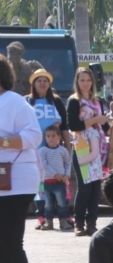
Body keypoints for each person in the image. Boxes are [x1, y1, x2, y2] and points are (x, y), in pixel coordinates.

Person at [0, 55, 42, 263]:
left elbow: (34, 136)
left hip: (17, 182)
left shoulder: (15, 102)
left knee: (10, 245)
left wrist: (3, 139)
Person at [25, 68, 71, 230]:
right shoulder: (27, 102)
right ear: (34, 84)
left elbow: (64, 127)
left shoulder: (57, 101)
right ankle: (41, 216)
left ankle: (65, 215)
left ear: (49, 84)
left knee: (61, 184)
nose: (42, 83)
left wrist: (68, 147)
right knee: (40, 185)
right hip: (34, 151)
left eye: (45, 80)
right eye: (39, 80)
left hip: (55, 151)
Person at [67, 67, 109, 237]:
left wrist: (106, 122)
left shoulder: (98, 100)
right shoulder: (73, 101)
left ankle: (92, 223)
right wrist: (95, 120)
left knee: (96, 187)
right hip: (81, 146)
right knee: (84, 187)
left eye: (88, 80)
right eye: (82, 80)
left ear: (93, 82)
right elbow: (73, 125)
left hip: (97, 145)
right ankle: (78, 223)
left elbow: (104, 125)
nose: (85, 83)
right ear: (77, 82)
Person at [38, 125, 72, 230]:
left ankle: (63, 222)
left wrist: (67, 174)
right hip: (48, 182)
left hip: (60, 182)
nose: (50, 138)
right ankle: (49, 222)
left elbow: (68, 163)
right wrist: (55, 174)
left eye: (53, 136)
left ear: (59, 137)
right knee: (48, 205)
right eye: (48, 136)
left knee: (62, 204)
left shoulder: (63, 150)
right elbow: (44, 165)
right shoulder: (43, 151)